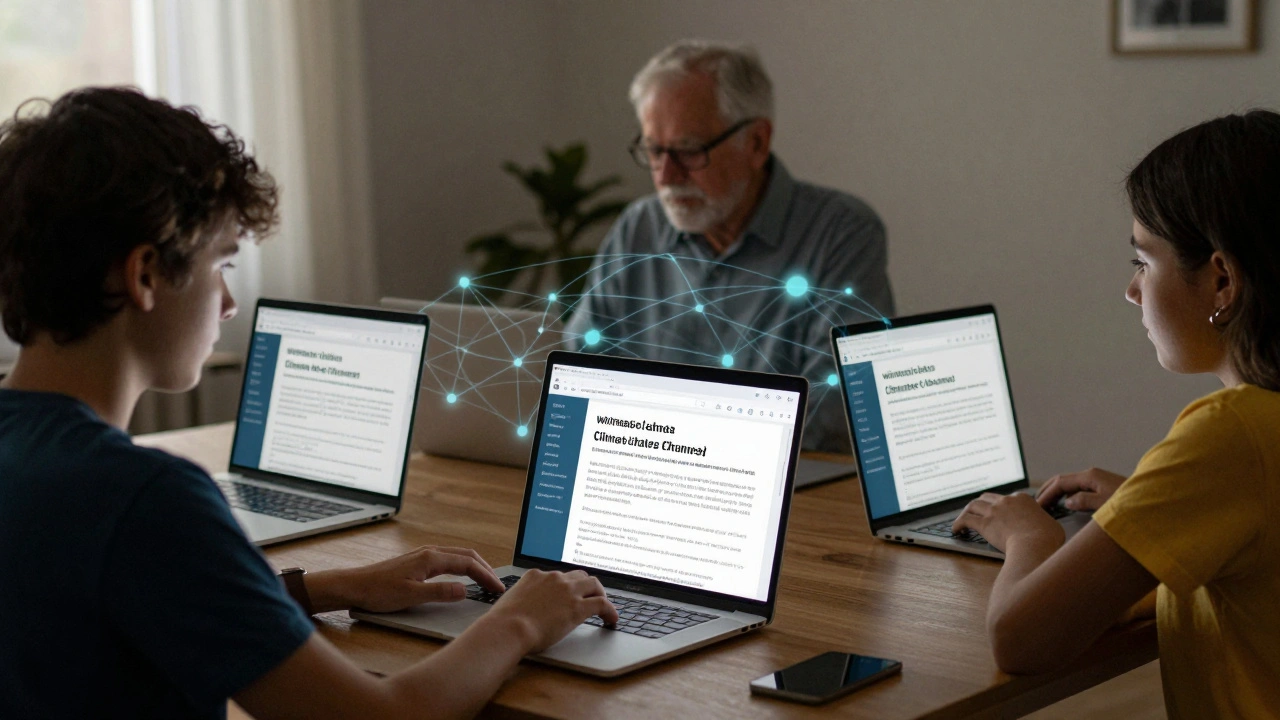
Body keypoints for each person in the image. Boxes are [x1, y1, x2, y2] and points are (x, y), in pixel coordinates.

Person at [0, 87, 617, 720]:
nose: (229, 302)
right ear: (146, 274)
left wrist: (328, 587)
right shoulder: (147, 499)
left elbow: (126, 590)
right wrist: (518, 621)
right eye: (224, 263)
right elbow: (383, 715)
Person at [951, 110, 1280, 717]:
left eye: (1142, 262)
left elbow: (1020, 639)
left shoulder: (1228, 435)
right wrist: (1147, 511)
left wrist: (1028, 532)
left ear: (1222, 281)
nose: (1132, 291)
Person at [565, 40, 894, 452]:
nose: (666, 175)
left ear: (756, 143)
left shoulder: (840, 233)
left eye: (688, 150)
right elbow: (580, 370)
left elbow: (836, 409)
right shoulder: (639, 228)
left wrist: (672, 445)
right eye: (653, 150)